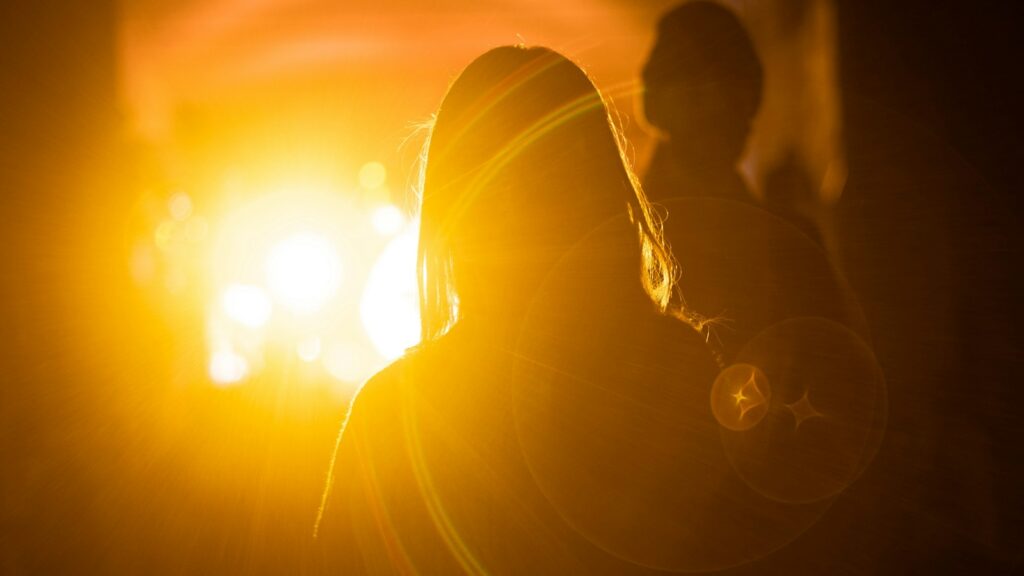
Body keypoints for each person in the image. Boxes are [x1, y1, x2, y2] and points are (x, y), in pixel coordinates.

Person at [312, 45, 735, 574]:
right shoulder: (678, 375)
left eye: (541, 180)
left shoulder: (394, 413)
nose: (521, 208)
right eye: (506, 182)